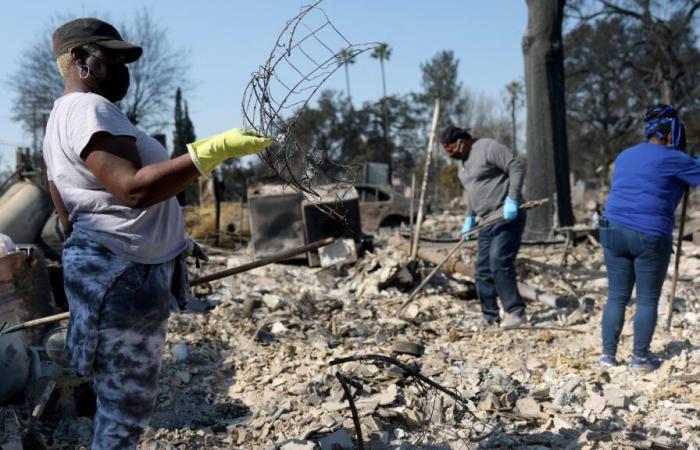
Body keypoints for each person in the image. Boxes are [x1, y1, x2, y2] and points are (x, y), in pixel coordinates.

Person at [44, 18, 271, 449]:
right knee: (124, 416)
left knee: (113, 404)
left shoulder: (58, 117)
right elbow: (132, 189)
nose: (122, 67)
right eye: (110, 56)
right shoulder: (91, 109)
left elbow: (68, 209)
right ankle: (83, 344)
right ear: (78, 58)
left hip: (105, 271)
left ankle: (81, 342)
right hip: (124, 278)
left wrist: (169, 239)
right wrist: (212, 151)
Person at [599, 104, 700, 374]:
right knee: (646, 299)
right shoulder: (674, 158)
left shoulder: (624, 155)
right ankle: (639, 360)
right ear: (671, 134)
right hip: (649, 234)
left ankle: (608, 357)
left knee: (617, 296)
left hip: (612, 228)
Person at [441, 125, 527, 328]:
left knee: (499, 260)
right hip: (485, 222)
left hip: (506, 215)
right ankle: (489, 316)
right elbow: (473, 192)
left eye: (450, 148)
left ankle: (515, 312)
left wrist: (512, 199)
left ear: (461, 142)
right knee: (482, 268)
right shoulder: (463, 166)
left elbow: (516, 166)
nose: (450, 154)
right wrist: (469, 218)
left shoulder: (487, 147)